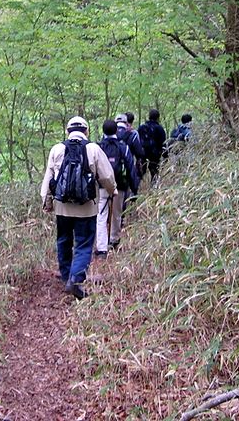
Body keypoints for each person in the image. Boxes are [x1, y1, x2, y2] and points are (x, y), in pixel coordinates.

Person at [41, 116, 116, 299]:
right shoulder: (93, 149)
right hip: (87, 207)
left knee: (64, 241)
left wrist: (47, 202)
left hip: (62, 207)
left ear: (67, 131)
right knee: (83, 243)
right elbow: (107, 176)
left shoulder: (57, 149)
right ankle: (76, 278)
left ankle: (66, 276)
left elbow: (48, 178)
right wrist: (112, 191)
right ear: (86, 131)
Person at [96, 119, 139, 255]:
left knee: (101, 215)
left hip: (101, 186)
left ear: (103, 131)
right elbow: (131, 168)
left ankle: (101, 247)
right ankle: (114, 241)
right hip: (119, 185)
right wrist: (134, 189)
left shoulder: (98, 147)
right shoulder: (123, 147)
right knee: (116, 214)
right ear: (116, 131)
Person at [138, 109, 166, 182]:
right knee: (154, 172)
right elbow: (163, 142)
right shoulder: (159, 128)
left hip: (142, 152)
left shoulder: (141, 127)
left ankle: (135, 188)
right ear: (158, 118)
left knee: (140, 171)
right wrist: (165, 155)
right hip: (155, 153)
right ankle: (154, 188)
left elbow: (138, 140)